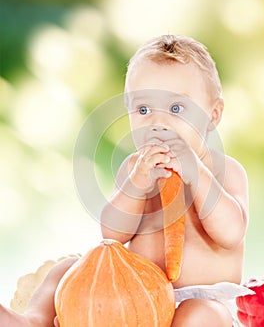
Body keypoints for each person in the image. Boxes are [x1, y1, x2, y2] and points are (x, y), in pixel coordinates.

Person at [0, 34, 249, 327]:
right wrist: (136, 185)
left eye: (176, 109)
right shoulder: (135, 168)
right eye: (143, 110)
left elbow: (232, 232)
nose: (158, 122)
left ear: (213, 116)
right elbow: (112, 234)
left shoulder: (225, 171)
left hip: (206, 299)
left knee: (198, 315)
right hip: (135, 299)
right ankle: (33, 320)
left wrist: (197, 174)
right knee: (68, 268)